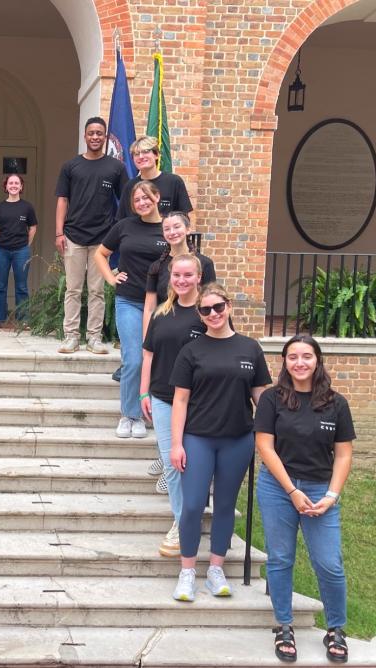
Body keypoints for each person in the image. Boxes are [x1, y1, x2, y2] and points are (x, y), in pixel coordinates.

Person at [169, 282, 272, 602]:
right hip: (198, 437)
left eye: (218, 307)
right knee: (194, 505)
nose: (213, 313)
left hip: (238, 439)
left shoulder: (250, 348)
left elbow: (262, 397)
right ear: (199, 315)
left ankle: (216, 568)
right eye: (206, 309)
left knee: (225, 505)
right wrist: (176, 444)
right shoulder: (192, 351)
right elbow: (180, 400)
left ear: (229, 307)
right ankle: (187, 572)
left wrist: (273, 429)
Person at [255, 335, 354, 664]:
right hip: (277, 488)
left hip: (319, 491)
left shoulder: (336, 403)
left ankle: (336, 628)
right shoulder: (272, 399)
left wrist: (331, 495)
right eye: (293, 356)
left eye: (307, 356)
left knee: (329, 563)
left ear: (317, 360)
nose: (300, 362)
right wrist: (292, 491)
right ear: (284, 361)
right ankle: (284, 625)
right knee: (280, 558)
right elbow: (265, 447)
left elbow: (343, 455)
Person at [142, 211, 217, 488]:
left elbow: (211, 300)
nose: (172, 232)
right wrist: (147, 339)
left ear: (187, 229)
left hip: (191, 334)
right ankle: (166, 454)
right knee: (164, 396)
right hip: (165, 331)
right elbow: (150, 305)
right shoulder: (158, 266)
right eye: (167, 228)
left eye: (177, 226)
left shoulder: (204, 264)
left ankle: (172, 458)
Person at [139, 254, 206, 557]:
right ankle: (182, 524)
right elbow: (149, 355)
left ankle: (194, 514)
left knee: (196, 462)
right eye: (176, 275)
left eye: (187, 275)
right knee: (172, 464)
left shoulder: (209, 313)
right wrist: (143, 394)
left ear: (198, 277)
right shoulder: (161, 313)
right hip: (163, 399)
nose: (181, 280)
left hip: (201, 401)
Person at [93, 181, 168, 439]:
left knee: (159, 359)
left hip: (162, 304)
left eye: (146, 198)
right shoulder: (124, 226)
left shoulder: (167, 228)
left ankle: (156, 414)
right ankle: (130, 415)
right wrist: (112, 279)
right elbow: (100, 254)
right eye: (137, 200)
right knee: (134, 359)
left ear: (157, 197)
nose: (142, 203)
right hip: (129, 301)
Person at [55, 116, 128, 354]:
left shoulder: (115, 167)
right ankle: (71, 337)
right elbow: (62, 200)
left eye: (99, 133)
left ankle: (94, 338)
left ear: (105, 137)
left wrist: (119, 233)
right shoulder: (71, 166)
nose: (95, 137)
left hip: (102, 240)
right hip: (73, 236)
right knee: (73, 289)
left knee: (97, 291)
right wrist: (59, 233)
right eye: (91, 133)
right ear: (84, 136)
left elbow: (125, 201)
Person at [0, 173, 38, 329]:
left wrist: (26, 244)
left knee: (22, 287)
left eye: (17, 183)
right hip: (1, 251)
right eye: (11, 183)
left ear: (21, 186)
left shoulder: (27, 207)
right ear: (6, 186)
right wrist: (2, 241)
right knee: (0, 286)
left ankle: (23, 320)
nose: (14, 185)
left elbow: (33, 227)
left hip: (21, 251)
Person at [116, 135, 193, 221]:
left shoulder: (174, 182)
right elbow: (122, 219)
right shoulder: (130, 186)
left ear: (156, 155)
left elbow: (184, 217)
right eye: (136, 154)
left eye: (146, 151)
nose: (141, 156)